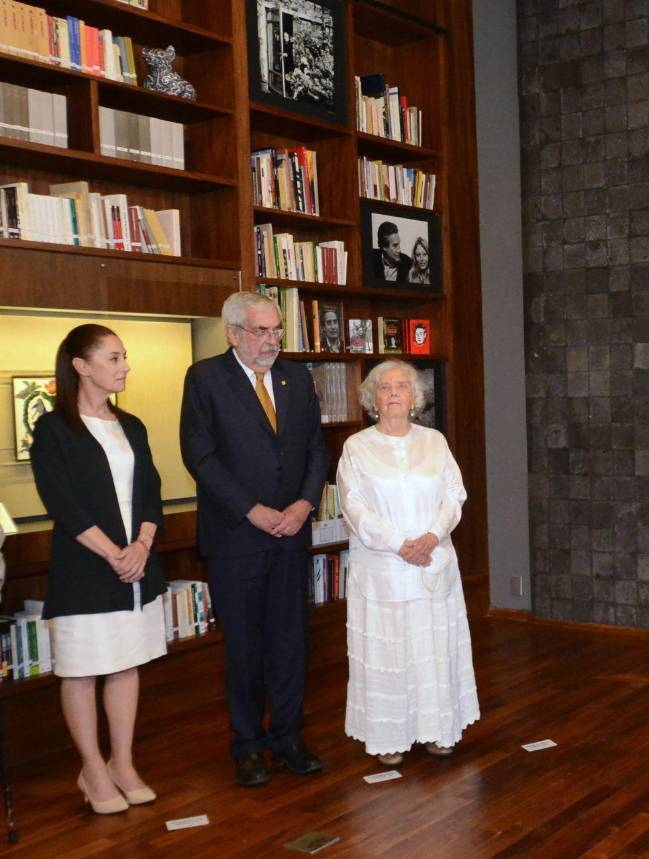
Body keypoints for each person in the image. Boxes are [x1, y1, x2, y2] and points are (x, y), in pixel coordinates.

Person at [180, 292, 330, 787]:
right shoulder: (205, 379)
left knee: (290, 642)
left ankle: (288, 738)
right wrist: (252, 510)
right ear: (233, 333)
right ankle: (247, 746)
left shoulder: (296, 377)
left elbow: (316, 449)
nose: (272, 341)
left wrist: (305, 504)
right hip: (237, 537)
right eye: (262, 331)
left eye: (277, 330)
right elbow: (200, 457)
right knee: (244, 646)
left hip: (291, 533)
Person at [30, 324, 167, 814]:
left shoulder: (132, 425)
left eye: (124, 356)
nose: (124, 365)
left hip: (136, 566)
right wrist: (114, 552)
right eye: (113, 358)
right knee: (84, 671)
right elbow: (62, 504)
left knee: (126, 664)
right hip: (87, 570)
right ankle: (91, 768)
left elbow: (151, 490)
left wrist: (142, 545)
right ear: (81, 366)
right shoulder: (52, 429)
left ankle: (122, 762)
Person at [337, 360, 479, 766]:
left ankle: (437, 732)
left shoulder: (434, 441)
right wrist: (401, 545)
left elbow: (455, 494)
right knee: (390, 654)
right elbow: (355, 507)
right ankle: (391, 737)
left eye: (402, 386)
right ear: (372, 398)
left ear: (415, 398)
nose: (394, 392)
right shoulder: (357, 447)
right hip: (384, 570)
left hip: (434, 564)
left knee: (433, 649)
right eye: (385, 387)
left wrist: (432, 537)